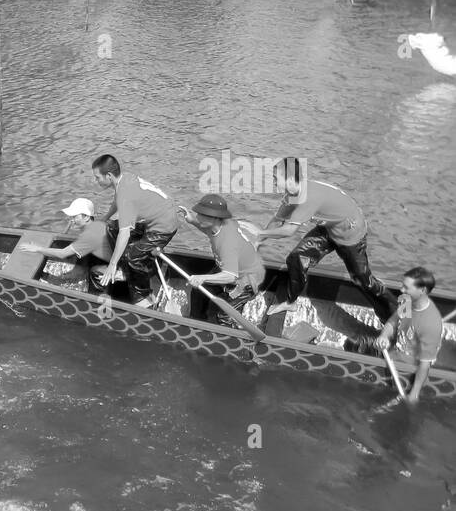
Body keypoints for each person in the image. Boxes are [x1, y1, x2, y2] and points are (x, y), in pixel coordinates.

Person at [250, 157, 395, 323]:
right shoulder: (293, 194)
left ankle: (394, 315)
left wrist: (260, 234)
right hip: (329, 228)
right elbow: (278, 220)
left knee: (364, 281)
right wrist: (258, 241)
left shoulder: (308, 197)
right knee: (297, 258)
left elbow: (289, 231)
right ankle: (291, 302)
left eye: (276, 178)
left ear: (290, 179)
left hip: (351, 234)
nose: (274, 182)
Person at [90, 154, 178, 308]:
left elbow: (125, 234)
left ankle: (144, 296)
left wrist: (112, 264)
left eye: (97, 177)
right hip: (156, 216)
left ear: (109, 176)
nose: (95, 181)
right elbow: (116, 203)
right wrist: (104, 219)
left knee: (133, 257)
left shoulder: (126, 195)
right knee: (111, 227)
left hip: (164, 226)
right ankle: (125, 270)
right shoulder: (124, 180)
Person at [360, 267, 445, 407]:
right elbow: (392, 323)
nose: (401, 290)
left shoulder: (431, 324)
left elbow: (425, 365)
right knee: (354, 343)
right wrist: (383, 336)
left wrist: (415, 393)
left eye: (406, 287)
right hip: (392, 351)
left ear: (422, 290)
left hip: (406, 366)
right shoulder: (407, 301)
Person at [179, 194, 267, 325]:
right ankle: (197, 323)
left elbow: (230, 276)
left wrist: (202, 277)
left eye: (202, 215)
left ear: (215, 218)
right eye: (199, 213)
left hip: (246, 280)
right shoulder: (222, 225)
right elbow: (209, 231)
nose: (198, 217)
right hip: (229, 266)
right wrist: (192, 221)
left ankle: (229, 338)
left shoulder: (227, 242)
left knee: (224, 317)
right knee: (199, 290)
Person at [18, 197, 112, 291]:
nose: (72, 219)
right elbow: (63, 240)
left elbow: (62, 254)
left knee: (94, 271)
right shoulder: (98, 224)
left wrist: (37, 249)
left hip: (119, 268)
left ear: (86, 217)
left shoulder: (89, 235)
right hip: (111, 258)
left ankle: (96, 296)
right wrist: (69, 226)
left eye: (75, 216)